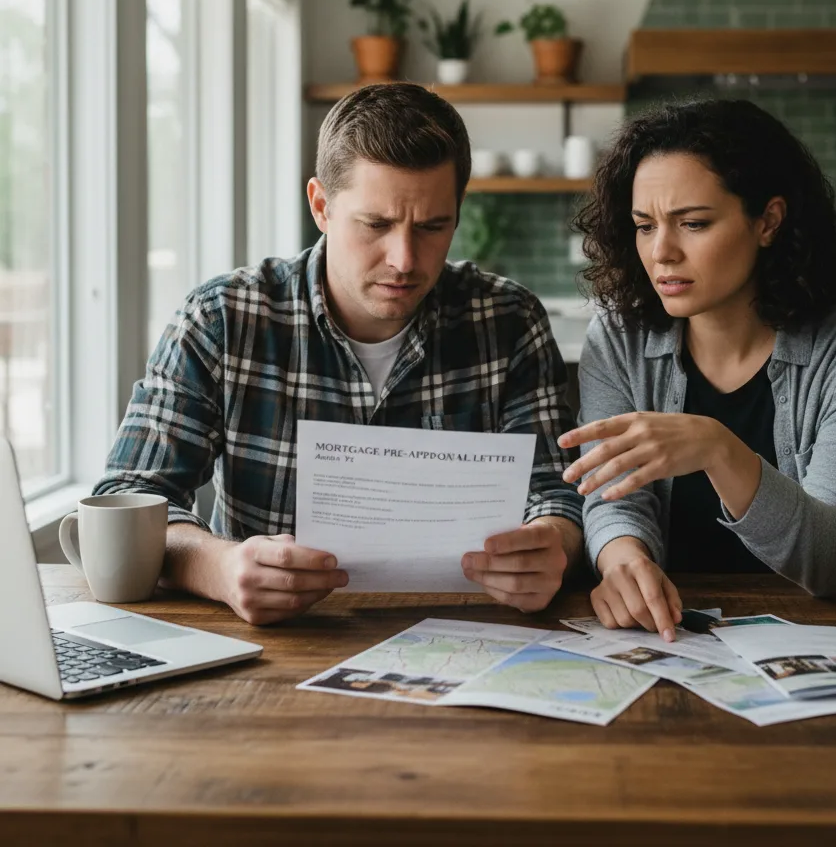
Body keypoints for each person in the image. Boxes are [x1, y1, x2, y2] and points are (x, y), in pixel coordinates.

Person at [95, 82, 582, 624]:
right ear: (321, 206)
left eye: (432, 226)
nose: (404, 259)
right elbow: (129, 495)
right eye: (376, 224)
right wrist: (219, 568)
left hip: (466, 634)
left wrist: (552, 544)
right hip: (276, 645)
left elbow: (557, 494)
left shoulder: (509, 321)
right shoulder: (222, 319)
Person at [557, 99, 836, 641]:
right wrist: (623, 560)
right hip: (666, 636)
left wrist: (719, 449)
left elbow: (831, 561)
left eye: (693, 223)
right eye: (644, 226)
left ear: (768, 221)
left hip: (805, 635)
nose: (662, 252)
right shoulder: (619, 336)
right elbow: (611, 494)